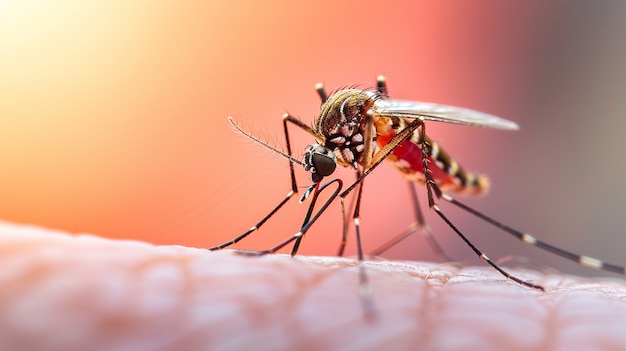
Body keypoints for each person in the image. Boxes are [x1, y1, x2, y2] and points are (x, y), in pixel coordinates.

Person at [1, 221, 626, 350]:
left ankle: (488, 250)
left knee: (362, 210)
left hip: (414, 151)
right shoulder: (328, 136)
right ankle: (280, 244)